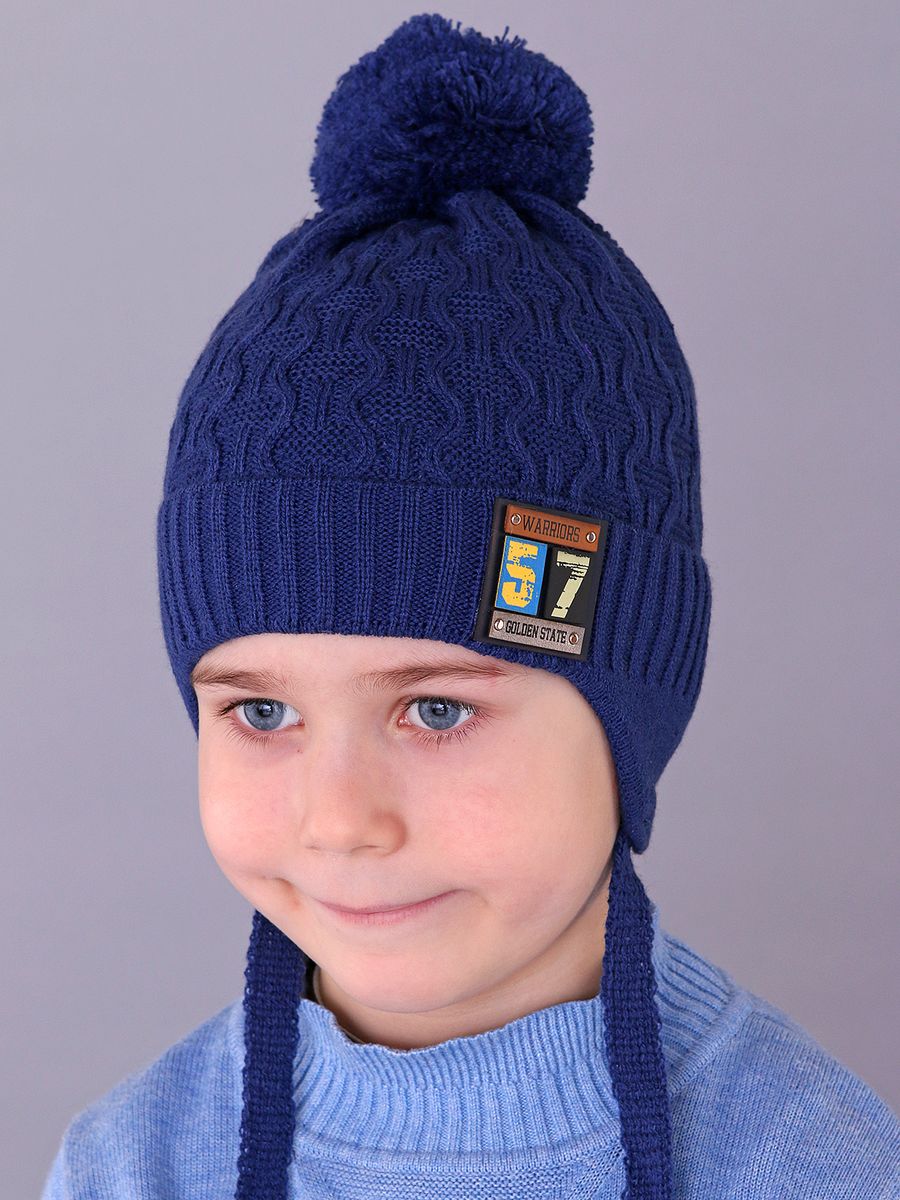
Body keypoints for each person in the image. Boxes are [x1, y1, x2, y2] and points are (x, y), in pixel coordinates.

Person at [41, 12, 899, 1199]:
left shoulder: (817, 1165)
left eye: (436, 710)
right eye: (260, 714)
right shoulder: (131, 1166)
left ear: (631, 711)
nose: (340, 822)